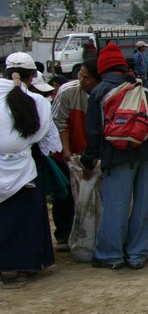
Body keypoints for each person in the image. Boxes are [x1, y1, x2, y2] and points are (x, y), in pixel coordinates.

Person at [80, 44, 148, 270]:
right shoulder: (146, 88)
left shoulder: (100, 92)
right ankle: (138, 253)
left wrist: (88, 158)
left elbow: (94, 132)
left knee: (116, 204)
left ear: (102, 68)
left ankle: (111, 255)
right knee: (144, 205)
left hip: (117, 154)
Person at [0, 53, 58, 280]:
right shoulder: (39, 102)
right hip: (25, 169)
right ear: (33, 76)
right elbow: (44, 138)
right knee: (26, 218)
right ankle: (26, 265)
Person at [51, 58, 101, 250]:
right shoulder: (68, 92)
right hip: (67, 153)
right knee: (65, 196)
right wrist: (66, 150)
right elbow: (59, 122)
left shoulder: (102, 94)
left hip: (90, 153)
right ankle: (64, 235)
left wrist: (90, 158)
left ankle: (89, 235)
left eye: (86, 77)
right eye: (80, 75)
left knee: (91, 196)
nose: (81, 80)